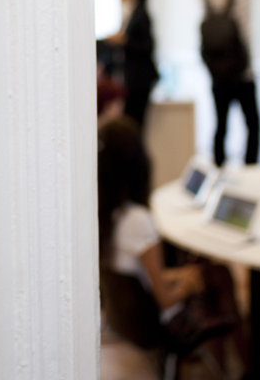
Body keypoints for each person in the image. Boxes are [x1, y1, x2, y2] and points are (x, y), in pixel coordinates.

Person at [98, 119, 241, 366]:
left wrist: (183, 276)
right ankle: (243, 363)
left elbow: (142, 275)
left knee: (204, 269)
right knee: (218, 276)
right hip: (157, 324)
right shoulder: (138, 221)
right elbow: (165, 299)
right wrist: (190, 284)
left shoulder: (105, 216)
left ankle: (229, 363)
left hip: (129, 318)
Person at [198, 0, 260, 167]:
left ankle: (218, 168)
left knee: (220, 126)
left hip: (217, 75)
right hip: (243, 73)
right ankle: (250, 169)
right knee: (252, 125)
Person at [102, 0, 160, 131]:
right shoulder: (130, 12)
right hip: (132, 78)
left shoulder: (141, 14)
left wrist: (124, 41)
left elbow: (147, 46)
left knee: (134, 125)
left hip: (139, 79)